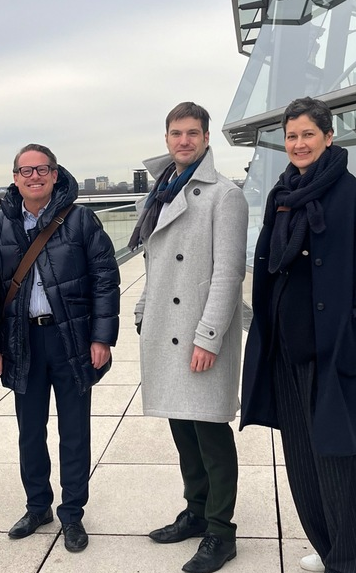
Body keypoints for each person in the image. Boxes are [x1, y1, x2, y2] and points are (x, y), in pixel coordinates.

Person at [240, 97, 356, 573]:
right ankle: (328, 546)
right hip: (286, 350)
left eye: (308, 134)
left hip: (334, 353)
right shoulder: (282, 196)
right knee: (302, 457)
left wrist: (353, 336)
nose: (299, 143)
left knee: (339, 456)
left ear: (329, 137)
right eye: (291, 136)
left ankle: (350, 559)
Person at [0, 143, 120, 553]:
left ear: (55, 174)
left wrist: (102, 337)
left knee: (74, 432)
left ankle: (72, 513)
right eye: (25, 171)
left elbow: (105, 279)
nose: (34, 177)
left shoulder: (80, 220)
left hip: (71, 338)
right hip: (22, 341)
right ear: (15, 177)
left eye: (42, 169)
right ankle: (38, 505)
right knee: (30, 432)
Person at [131, 102, 248, 573]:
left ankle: (221, 530)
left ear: (205, 139)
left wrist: (209, 337)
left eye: (193, 133)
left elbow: (228, 273)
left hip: (199, 333)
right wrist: (141, 311)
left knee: (211, 433)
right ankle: (196, 512)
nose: (184, 141)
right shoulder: (156, 193)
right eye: (176, 133)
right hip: (165, 327)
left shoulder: (225, 195)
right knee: (183, 429)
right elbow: (154, 264)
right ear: (166, 139)